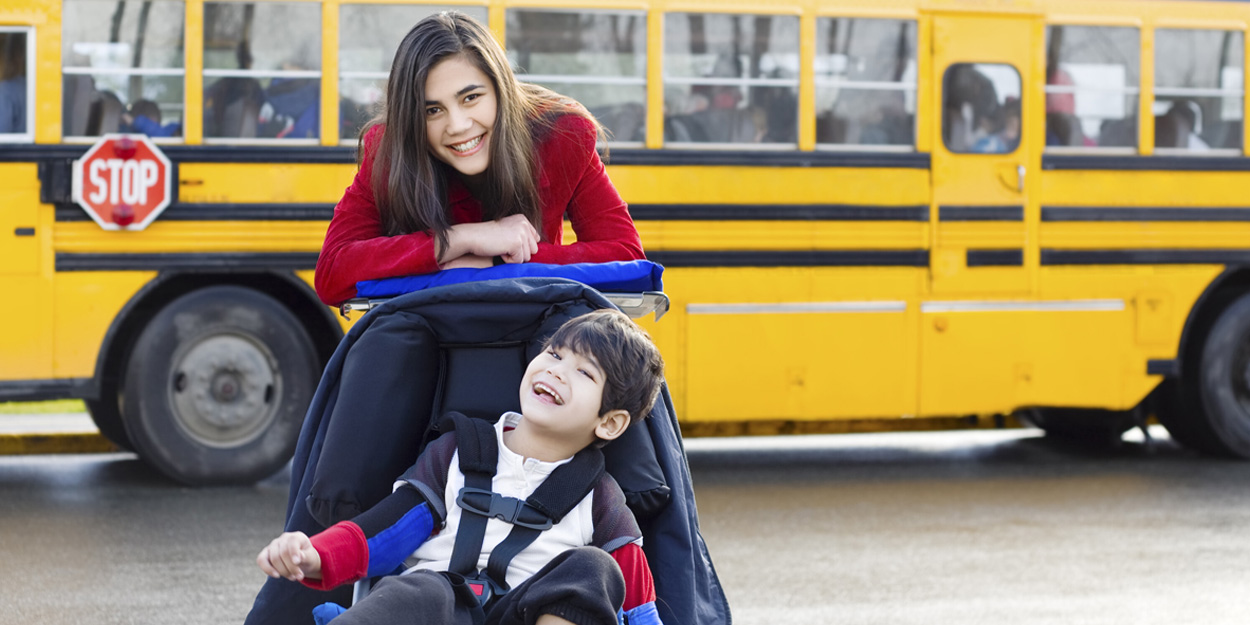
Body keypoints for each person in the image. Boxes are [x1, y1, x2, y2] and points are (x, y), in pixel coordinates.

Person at [256, 309, 666, 625]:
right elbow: (382, 530)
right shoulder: (457, 453)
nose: (556, 370)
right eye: (554, 353)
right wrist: (313, 555)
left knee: (594, 569)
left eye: (583, 371)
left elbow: (639, 603)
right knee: (421, 587)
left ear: (609, 422)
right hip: (441, 610)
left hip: (526, 612)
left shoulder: (600, 497)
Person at [314, 12, 644, 307]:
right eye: (432, 110)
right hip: (430, 339)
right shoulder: (390, 150)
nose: (457, 126)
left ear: (501, 90)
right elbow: (333, 274)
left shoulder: (561, 135)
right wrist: (460, 240)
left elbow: (626, 258)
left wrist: (496, 263)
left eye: (471, 98)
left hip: (536, 337)